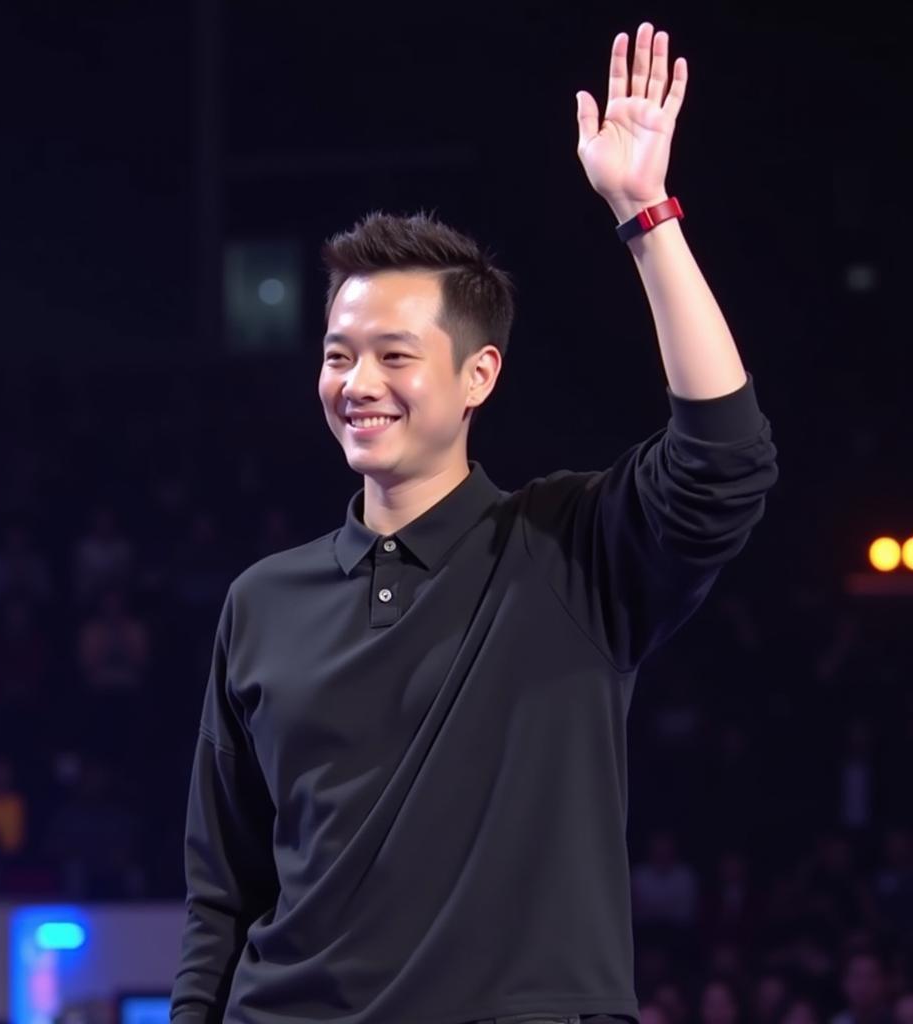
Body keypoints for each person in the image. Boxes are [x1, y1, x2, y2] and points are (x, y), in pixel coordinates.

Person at [171, 20, 779, 1024]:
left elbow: (727, 455)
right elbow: (222, 891)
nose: (357, 383)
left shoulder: (569, 549)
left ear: (476, 375)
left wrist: (644, 213)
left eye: (395, 355)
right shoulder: (260, 601)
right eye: (337, 353)